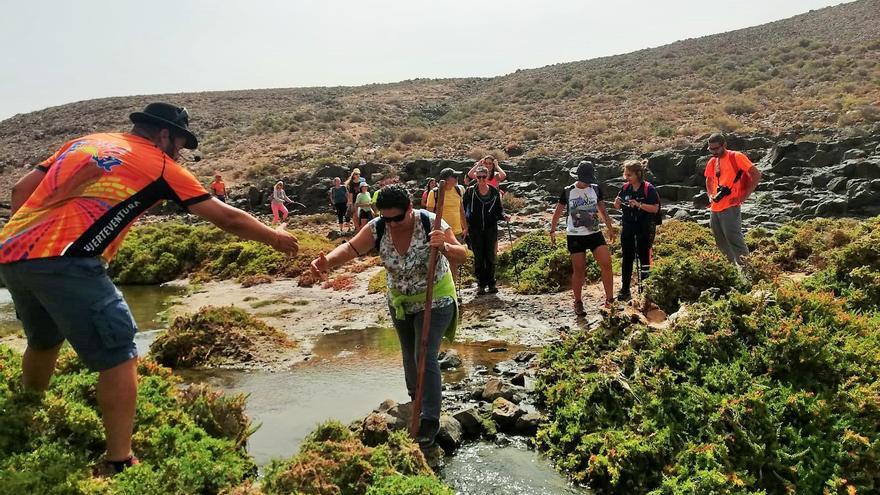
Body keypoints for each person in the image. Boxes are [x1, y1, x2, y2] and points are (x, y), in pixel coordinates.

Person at [0, 102, 299, 475]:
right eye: (180, 143)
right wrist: (275, 238)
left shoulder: (83, 142)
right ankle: (119, 460)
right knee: (120, 352)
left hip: (12, 252)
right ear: (163, 134)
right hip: (69, 259)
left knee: (43, 340)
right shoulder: (162, 166)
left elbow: (19, 189)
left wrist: (27, 243)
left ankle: (28, 415)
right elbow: (224, 216)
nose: (180, 152)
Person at [309, 184, 467, 448]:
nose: (392, 224)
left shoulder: (430, 222)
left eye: (397, 218)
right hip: (400, 302)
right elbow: (350, 249)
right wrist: (327, 263)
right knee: (408, 352)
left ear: (410, 209)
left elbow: (462, 253)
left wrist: (446, 248)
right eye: (386, 218)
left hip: (435, 298)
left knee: (424, 353)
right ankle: (416, 398)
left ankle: (429, 418)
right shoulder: (377, 228)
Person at [550, 160, 615, 315]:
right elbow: (558, 212)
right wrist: (552, 230)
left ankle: (610, 300)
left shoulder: (596, 189)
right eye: (585, 180)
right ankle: (578, 302)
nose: (587, 183)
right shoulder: (568, 191)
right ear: (578, 177)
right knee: (579, 270)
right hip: (575, 235)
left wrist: (610, 228)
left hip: (594, 233)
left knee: (606, 264)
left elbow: (603, 210)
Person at [704, 133, 761, 267]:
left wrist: (744, 196)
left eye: (716, 149)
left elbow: (756, 174)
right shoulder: (713, 161)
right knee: (721, 243)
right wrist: (710, 195)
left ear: (724, 145)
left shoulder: (736, 157)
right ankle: (731, 272)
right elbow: (708, 179)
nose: (713, 152)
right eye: (711, 149)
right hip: (715, 207)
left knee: (735, 240)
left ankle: (749, 272)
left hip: (731, 206)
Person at [613, 160, 660, 301]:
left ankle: (646, 289)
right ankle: (625, 289)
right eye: (625, 174)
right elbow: (617, 206)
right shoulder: (625, 188)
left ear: (638, 174)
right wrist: (617, 203)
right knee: (627, 258)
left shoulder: (648, 188)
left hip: (644, 226)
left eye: (630, 175)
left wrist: (639, 205)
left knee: (644, 256)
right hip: (628, 226)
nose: (627, 177)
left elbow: (655, 208)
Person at [463, 165, 505, 295]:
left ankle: (491, 283)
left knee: (490, 256)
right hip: (475, 229)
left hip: (490, 228)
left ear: (487, 177)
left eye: (483, 177)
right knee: (479, 256)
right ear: (475, 177)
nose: (481, 179)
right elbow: (463, 210)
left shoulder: (494, 192)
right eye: (479, 177)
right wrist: (465, 227)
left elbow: (499, 210)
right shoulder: (470, 191)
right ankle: (481, 284)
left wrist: (504, 216)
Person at [425, 168, 467, 284]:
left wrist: (465, 227)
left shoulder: (459, 190)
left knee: (454, 260)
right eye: (454, 177)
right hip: (441, 233)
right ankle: (440, 286)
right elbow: (429, 214)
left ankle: (453, 287)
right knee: (439, 261)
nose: (456, 179)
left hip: (457, 231)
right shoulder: (434, 193)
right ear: (447, 180)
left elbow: (461, 209)